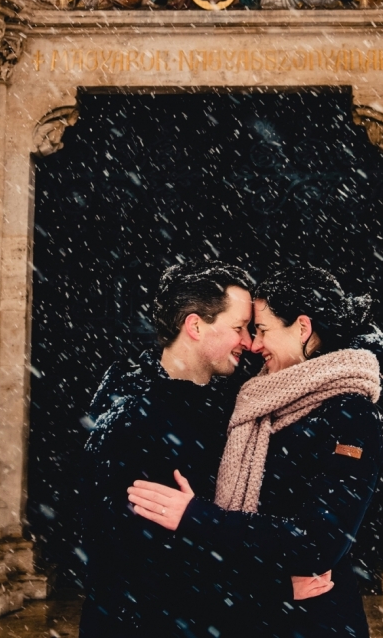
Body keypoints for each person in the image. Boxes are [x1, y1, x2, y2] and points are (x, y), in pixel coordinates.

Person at [128, 265, 383, 638]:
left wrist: (198, 518)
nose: (253, 343)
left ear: (302, 327)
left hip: (313, 620)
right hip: (253, 614)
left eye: (262, 329)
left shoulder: (352, 414)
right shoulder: (253, 400)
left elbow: (317, 543)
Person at [80, 260, 254, 638]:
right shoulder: (132, 418)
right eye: (239, 328)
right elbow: (137, 560)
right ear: (194, 326)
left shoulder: (229, 404)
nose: (249, 342)